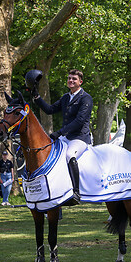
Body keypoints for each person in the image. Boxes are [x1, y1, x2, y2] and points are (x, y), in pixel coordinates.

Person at [27, 69, 93, 205]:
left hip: (79, 138)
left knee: (69, 155)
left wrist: (59, 132)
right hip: (66, 138)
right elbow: (50, 110)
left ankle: (76, 192)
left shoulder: (86, 98)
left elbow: (80, 121)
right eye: (69, 78)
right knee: (49, 155)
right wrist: (37, 97)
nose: (71, 80)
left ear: (80, 82)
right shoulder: (65, 97)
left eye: (74, 79)